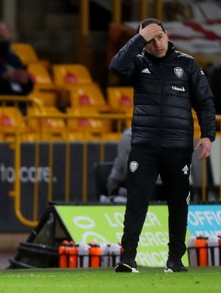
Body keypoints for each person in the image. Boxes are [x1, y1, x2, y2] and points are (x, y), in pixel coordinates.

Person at [109, 18, 216, 273]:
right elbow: (115, 66)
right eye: (150, 39)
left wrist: (208, 135)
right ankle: (128, 259)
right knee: (136, 202)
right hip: (144, 147)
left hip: (177, 148)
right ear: (143, 42)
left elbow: (205, 102)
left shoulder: (187, 64)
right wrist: (138, 39)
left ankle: (175, 260)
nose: (157, 44)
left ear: (167, 36)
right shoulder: (137, 63)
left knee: (179, 204)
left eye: (159, 37)